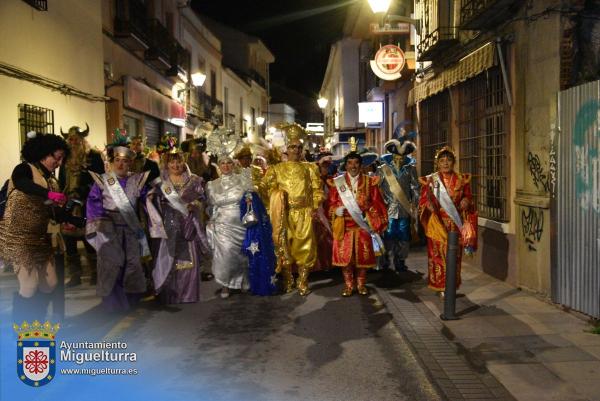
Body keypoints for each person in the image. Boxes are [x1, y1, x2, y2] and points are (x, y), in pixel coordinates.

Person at [0, 133, 70, 322]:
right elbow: (23, 185)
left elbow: (53, 212)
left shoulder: (52, 181)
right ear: (43, 154)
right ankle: (23, 330)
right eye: (57, 157)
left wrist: (76, 220)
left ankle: (36, 320)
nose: (59, 162)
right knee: (29, 286)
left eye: (62, 158)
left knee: (50, 283)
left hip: (40, 238)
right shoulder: (24, 169)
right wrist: (49, 194)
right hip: (18, 238)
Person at [85, 134, 151, 312]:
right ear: (112, 162)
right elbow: (93, 205)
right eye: (117, 160)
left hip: (131, 231)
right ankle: (112, 304)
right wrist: (101, 227)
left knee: (132, 265)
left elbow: (149, 203)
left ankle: (130, 301)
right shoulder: (102, 182)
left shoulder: (138, 181)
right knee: (111, 265)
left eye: (125, 161)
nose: (121, 164)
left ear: (131, 163)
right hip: (109, 230)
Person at [263, 124, 324, 295]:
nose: (296, 150)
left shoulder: (310, 168)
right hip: (284, 214)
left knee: (305, 247)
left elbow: (317, 190)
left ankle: (303, 281)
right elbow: (267, 189)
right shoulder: (276, 169)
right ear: (286, 149)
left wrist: (314, 206)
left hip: (304, 213)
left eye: (299, 147)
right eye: (292, 146)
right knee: (284, 246)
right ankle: (288, 279)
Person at [148, 148, 208, 304]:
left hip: (188, 224)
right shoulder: (161, 183)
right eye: (172, 162)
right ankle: (170, 294)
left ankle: (188, 294)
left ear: (184, 162)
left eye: (179, 161)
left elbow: (203, 200)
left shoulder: (195, 180)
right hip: (169, 224)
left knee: (189, 260)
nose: (176, 165)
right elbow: (152, 202)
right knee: (168, 260)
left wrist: (194, 205)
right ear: (167, 164)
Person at [328, 146, 388, 296]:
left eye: (356, 163)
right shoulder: (338, 183)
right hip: (345, 226)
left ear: (361, 165)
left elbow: (378, 203)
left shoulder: (370, 182)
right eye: (350, 163)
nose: (353, 166)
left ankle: (361, 284)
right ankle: (349, 285)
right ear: (345, 165)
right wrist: (335, 210)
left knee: (362, 258)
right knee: (346, 259)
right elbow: (330, 203)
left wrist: (372, 217)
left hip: (362, 226)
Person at [418, 146, 478, 297]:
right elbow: (423, 200)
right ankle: (440, 285)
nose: (445, 163)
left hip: (455, 224)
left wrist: (466, 201)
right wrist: (428, 205)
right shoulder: (431, 180)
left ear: (454, 162)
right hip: (437, 223)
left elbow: (470, 198)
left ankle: (451, 285)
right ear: (437, 163)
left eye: (449, 160)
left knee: (454, 256)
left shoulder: (462, 180)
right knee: (438, 255)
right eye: (442, 160)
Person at [206, 155, 260, 298]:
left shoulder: (242, 180)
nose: (226, 166)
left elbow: (251, 198)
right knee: (226, 255)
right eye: (222, 163)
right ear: (219, 165)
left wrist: (250, 198)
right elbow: (211, 207)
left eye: (229, 163)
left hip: (241, 222)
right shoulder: (212, 185)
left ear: (233, 164)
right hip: (223, 224)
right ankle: (226, 284)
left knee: (243, 254)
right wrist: (212, 221)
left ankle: (244, 281)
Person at [58, 124, 105, 287]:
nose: (73, 142)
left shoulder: (94, 156)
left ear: (82, 139)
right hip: (69, 205)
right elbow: (62, 181)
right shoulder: (64, 158)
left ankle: (96, 274)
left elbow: (100, 180)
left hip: (87, 204)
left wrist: (84, 192)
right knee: (69, 241)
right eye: (70, 139)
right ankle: (75, 276)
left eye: (76, 139)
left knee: (90, 240)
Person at [378, 137, 420, 273]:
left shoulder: (410, 169)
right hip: (387, 209)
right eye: (396, 155)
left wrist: (415, 204)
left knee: (403, 236)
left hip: (404, 209)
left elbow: (415, 188)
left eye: (402, 156)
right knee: (388, 235)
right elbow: (376, 188)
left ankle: (400, 260)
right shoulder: (383, 169)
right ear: (392, 154)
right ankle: (385, 260)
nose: (399, 159)